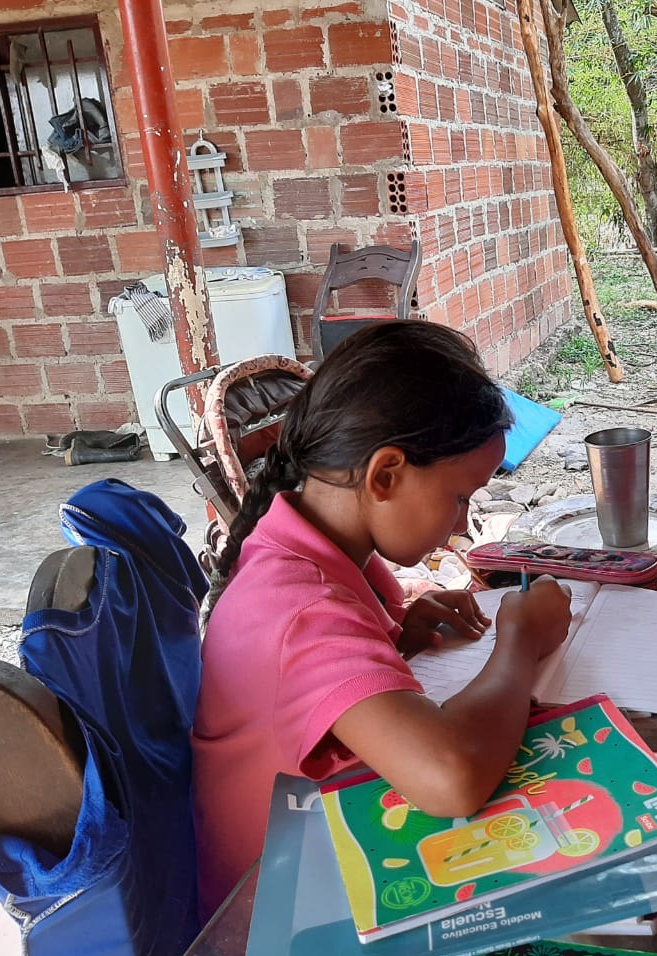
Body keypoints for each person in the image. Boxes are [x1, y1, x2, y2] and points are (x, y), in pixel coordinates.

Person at [191, 321, 573, 920]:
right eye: (459, 497)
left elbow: (320, 683)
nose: (461, 526)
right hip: (278, 913)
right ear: (385, 475)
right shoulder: (303, 606)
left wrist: (396, 636)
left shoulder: (322, 547)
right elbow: (451, 779)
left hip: (321, 856)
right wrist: (519, 641)